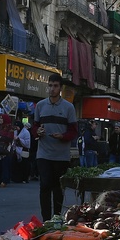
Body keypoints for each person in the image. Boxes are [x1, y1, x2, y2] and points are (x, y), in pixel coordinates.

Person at [32, 73, 78, 221]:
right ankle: (46, 220)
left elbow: (74, 131)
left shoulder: (68, 107)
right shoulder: (40, 106)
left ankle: (57, 218)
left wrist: (63, 136)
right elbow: (35, 127)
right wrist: (37, 132)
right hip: (43, 154)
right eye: (50, 85)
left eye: (55, 86)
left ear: (60, 88)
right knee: (44, 186)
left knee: (58, 188)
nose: (52, 89)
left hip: (61, 155)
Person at [0, 113, 15, 187]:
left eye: (1, 118)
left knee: (5, 165)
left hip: (7, 150)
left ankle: (4, 181)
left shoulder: (10, 128)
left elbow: (10, 138)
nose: (0, 120)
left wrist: (1, 138)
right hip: (0, 149)